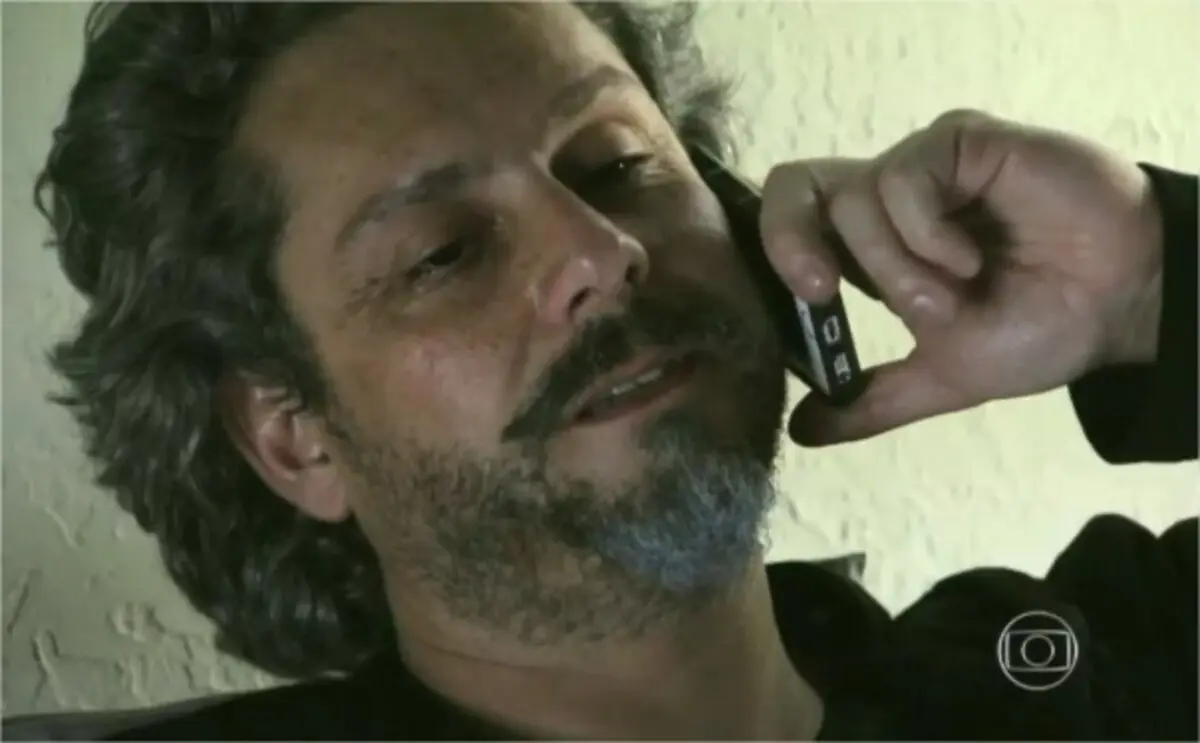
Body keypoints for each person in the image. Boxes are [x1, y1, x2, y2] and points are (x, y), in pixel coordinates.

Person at [27, 2, 1194, 740]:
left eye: (619, 165)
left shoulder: (1096, 672)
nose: (601, 252)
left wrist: (1152, 278)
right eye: (442, 252)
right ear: (294, 435)